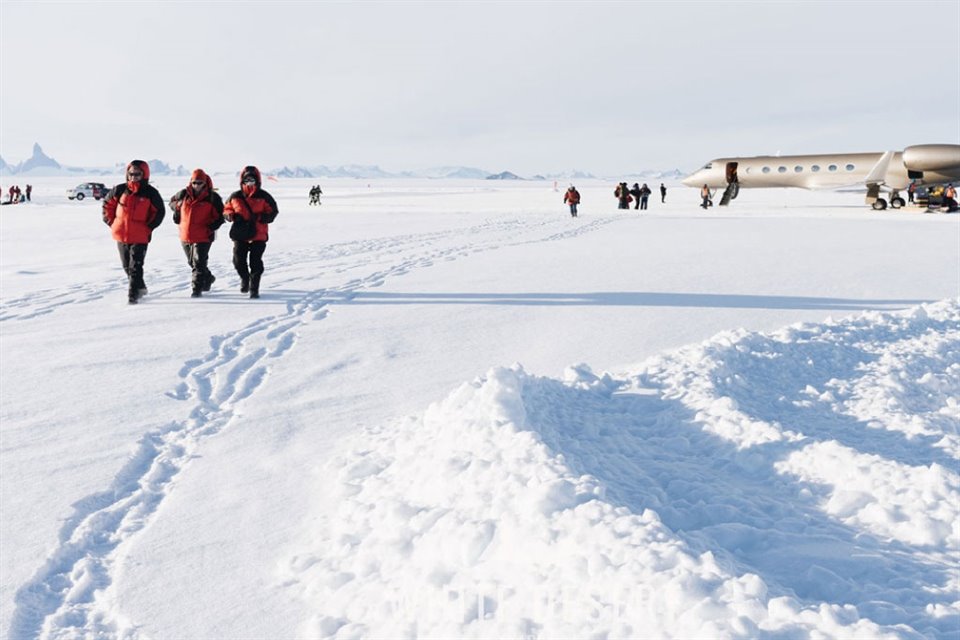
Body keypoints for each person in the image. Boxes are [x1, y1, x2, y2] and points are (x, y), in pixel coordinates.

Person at [102, 160, 165, 304]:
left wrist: (148, 227)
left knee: (135, 265)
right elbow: (107, 205)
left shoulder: (151, 193)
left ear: (144, 175)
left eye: (137, 174)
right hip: (121, 235)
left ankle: (133, 296)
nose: (134, 177)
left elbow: (159, 212)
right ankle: (141, 287)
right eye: (131, 174)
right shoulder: (119, 190)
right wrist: (112, 223)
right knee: (126, 266)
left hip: (140, 236)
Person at [224, 166, 278, 299]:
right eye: (247, 180)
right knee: (238, 261)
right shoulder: (235, 196)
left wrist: (261, 218)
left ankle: (254, 289)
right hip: (240, 234)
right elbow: (226, 209)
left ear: (257, 181)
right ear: (242, 181)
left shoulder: (264, 196)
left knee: (255, 262)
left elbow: (273, 212)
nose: (249, 183)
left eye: (252, 180)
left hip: (258, 234)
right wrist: (230, 215)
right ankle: (245, 279)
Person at [169, 169, 225, 297]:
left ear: (205, 183)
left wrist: (212, 227)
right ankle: (208, 278)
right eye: (194, 183)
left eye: (199, 183)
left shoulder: (212, 197)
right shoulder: (183, 194)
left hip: (203, 235)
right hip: (185, 235)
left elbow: (221, 215)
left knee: (199, 263)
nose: (196, 186)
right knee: (192, 262)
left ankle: (196, 291)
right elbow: (171, 202)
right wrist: (177, 207)